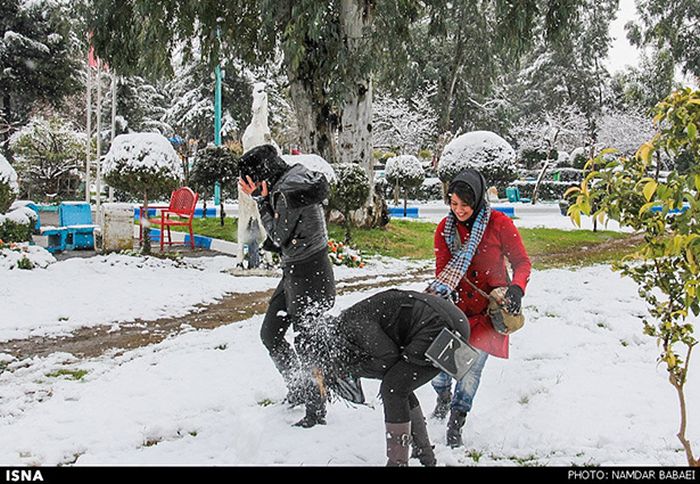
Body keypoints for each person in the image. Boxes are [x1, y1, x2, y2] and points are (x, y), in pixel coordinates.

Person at [307, 288, 472, 467]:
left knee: (393, 388)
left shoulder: (352, 324)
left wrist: (354, 369)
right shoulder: (353, 320)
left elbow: (388, 358)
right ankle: (425, 454)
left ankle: (398, 462)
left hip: (437, 327)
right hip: (454, 322)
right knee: (400, 384)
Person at [426, 168, 531, 448]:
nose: (458, 210)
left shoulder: (498, 224)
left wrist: (517, 288)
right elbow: (443, 273)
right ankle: (442, 396)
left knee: (470, 371)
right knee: (440, 368)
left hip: (489, 313)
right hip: (455, 311)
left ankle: (456, 422)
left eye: (465, 204)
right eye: (453, 203)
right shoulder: (445, 231)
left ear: (478, 200)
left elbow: (522, 262)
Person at [238, 144, 335, 428]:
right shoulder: (288, 182)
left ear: (262, 175)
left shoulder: (289, 191)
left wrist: (258, 199)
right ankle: (299, 387)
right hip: (294, 270)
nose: (249, 186)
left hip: (310, 273)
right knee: (271, 333)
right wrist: (264, 197)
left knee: (308, 343)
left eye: (250, 180)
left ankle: (316, 411)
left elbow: (278, 235)